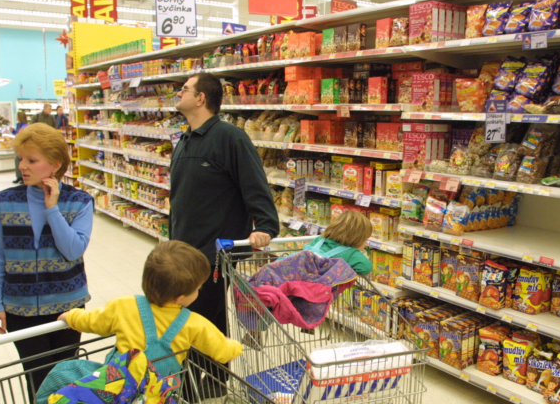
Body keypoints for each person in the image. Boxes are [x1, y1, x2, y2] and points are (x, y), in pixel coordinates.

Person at [0, 123, 93, 404]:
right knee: (37, 380)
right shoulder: (5, 201)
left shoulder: (79, 201)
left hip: (67, 308)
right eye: (21, 158)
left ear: (55, 164)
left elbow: (73, 250)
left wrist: (53, 208)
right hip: (20, 308)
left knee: (66, 378)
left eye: (31, 160)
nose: (22, 166)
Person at [170, 73, 279, 336]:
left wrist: (265, 225)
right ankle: (216, 375)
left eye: (184, 89)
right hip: (183, 251)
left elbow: (255, 186)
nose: (178, 94)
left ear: (201, 98)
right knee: (209, 325)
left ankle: (198, 377)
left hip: (214, 255)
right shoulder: (185, 140)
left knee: (197, 325)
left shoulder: (230, 138)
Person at [58, 240, 243, 368]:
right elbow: (222, 351)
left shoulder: (123, 306)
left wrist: (71, 316)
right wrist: (235, 346)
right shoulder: (194, 323)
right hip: (157, 401)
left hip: (117, 392)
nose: (199, 292)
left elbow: (92, 321)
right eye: (198, 288)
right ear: (180, 297)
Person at [303, 210, 373, 276]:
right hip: (321, 286)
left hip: (299, 279)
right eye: (365, 239)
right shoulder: (351, 253)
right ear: (359, 239)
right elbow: (366, 268)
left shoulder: (320, 239)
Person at [12, 111, 29, 184]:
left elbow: (23, 135)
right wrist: (12, 131)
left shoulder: (25, 126)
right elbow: (17, 133)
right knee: (17, 160)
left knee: (20, 160)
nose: (16, 117)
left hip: (23, 145)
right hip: (18, 145)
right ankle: (19, 176)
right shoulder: (18, 125)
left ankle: (22, 177)